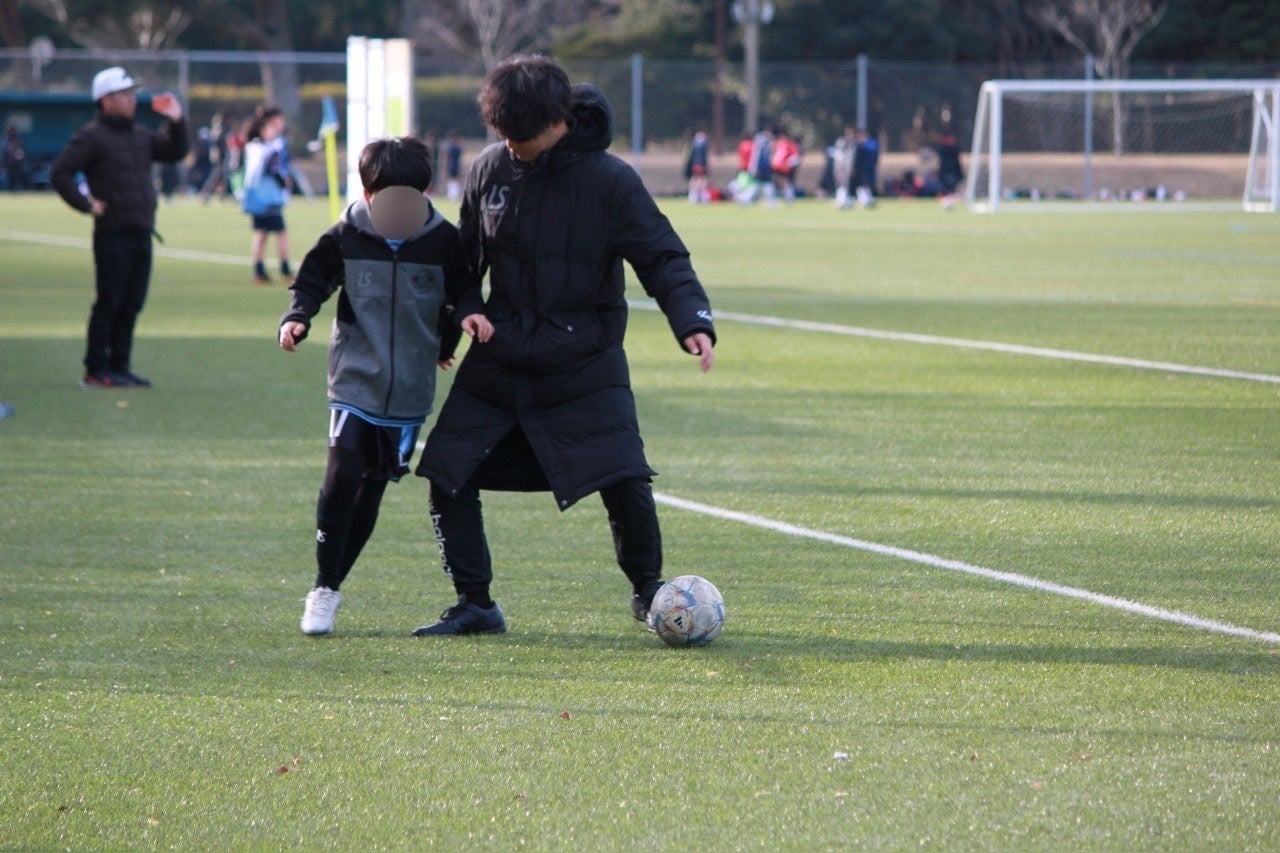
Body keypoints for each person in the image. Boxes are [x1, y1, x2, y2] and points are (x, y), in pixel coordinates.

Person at [411, 54, 717, 637]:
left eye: (521, 136)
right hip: (501, 353)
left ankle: (649, 593)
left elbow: (662, 256)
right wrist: (460, 319)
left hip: (585, 358)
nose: (511, 145)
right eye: (502, 134)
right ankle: (475, 604)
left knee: (624, 476)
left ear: (558, 121)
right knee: (447, 471)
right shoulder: (489, 169)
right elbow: (464, 263)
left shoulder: (612, 180)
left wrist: (691, 321)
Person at [278, 135, 491, 636]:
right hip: (354, 377)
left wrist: (467, 319)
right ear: (367, 192)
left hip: (410, 388)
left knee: (370, 490)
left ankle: (335, 581)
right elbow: (312, 280)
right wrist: (297, 317)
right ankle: (324, 587)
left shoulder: (443, 241)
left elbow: (462, 290)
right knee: (341, 475)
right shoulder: (346, 234)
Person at [51, 66, 188, 389]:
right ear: (106, 100)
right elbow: (61, 173)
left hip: (142, 231)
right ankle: (96, 369)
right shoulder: (91, 137)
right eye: (124, 94)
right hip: (113, 233)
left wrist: (177, 121)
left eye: (131, 94)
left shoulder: (140, 135)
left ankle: (120, 366)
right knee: (109, 302)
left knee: (131, 304)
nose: (131, 99)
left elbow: (175, 151)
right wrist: (87, 205)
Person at [241, 106, 292, 284]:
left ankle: (258, 271)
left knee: (261, 234)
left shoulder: (253, 146)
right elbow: (274, 169)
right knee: (281, 233)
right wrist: (284, 182)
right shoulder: (268, 148)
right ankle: (285, 270)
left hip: (255, 198)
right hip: (268, 198)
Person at [852, 128, 879, 208]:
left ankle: (867, 200)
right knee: (862, 184)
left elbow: (873, 155)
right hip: (863, 168)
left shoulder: (870, 144)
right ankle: (865, 200)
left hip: (868, 168)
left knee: (866, 183)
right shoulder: (861, 145)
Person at [685, 129, 710, 204]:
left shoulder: (694, 144)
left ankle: (693, 196)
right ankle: (701, 196)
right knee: (702, 179)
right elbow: (705, 156)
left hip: (695, 164)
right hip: (701, 164)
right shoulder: (703, 144)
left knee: (695, 179)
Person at [4, 125, 27, 191]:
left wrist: (18, 157)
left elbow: (21, 152)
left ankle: (20, 188)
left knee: (18, 177)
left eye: (11, 131)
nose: (10, 133)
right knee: (9, 178)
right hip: (8, 163)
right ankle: (9, 189)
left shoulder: (18, 140)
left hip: (17, 164)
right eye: (8, 131)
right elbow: (5, 152)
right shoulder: (5, 140)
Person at [443, 130, 463, 202]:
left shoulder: (449, 147)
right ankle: (454, 194)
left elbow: (446, 157)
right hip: (456, 165)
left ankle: (452, 195)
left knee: (452, 180)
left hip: (451, 165)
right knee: (455, 180)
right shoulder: (458, 147)